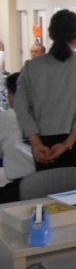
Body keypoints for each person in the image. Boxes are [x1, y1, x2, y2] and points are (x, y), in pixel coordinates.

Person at [15, 9, 76, 170]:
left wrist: (36, 144)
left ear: (50, 34)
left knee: (45, 185)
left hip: (42, 145)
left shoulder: (31, 67)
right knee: (75, 185)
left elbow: (21, 109)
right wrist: (66, 145)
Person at [0, 73, 37, 203]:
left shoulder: (7, 117)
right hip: (58, 184)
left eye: (9, 93)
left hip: (22, 188)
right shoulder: (50, 115)